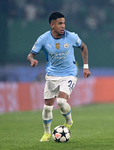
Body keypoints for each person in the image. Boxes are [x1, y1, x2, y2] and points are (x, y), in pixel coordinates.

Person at [27, 11, 91, 142]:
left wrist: (85, 67)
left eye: (64, 23)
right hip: (51, 75)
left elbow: (83, 47)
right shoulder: (43, 39)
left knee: (61, 101)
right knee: (47, 106)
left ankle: (68, 121)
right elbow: (30, 55)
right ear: (52, 24)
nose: (63, 26)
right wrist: (31, 61)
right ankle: (46, 134)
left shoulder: (71, 36)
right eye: (60, 23)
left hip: (69, 73)